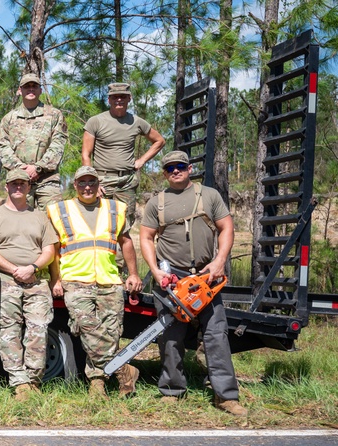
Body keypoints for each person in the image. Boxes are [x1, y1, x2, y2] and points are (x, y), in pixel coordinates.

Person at [139, 151, 247, 416]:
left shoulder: (209, 195)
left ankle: (226, 396)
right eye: (169, 168)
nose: (175, 171)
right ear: (164, 173)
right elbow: (145, 237)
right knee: (170, 337)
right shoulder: (157, 202)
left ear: (189, 168)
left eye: (179, 166)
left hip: (205, 276)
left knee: (216, 335)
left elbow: (226, 228)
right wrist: (155, 271)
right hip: (171, 279)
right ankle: (172, 390)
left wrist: (220, 261)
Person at [46, 166, 142, 399]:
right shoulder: (59, 210)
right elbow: (54, 249)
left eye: (91, 182)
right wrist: (55, 279)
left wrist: (133, 274)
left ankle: (97, 384)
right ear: (75, 186)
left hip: (109, 280)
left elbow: (126, 241)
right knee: (87, 328)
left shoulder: (115, 209)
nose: (87, 186)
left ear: (99, 185)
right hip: (75, 281)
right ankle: (124, 370)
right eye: (82, 182)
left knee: (110, 333)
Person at [0, 169, 58, 401]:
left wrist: (33, 268)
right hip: (4, 281)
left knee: (38, 329)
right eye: (13, 183)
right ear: (6, 187)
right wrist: (14, 269)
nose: (18, 187)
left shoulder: (40, 216)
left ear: (28, 187)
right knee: (8, 332)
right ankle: (20, 383)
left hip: (36, 281)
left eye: (22, 184)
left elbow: (50, 250)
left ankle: (34, 380)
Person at [81, 82, 166, 229]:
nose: (118, 100)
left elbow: (159, 141)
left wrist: (142, 160)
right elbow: (86, 155)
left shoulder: (137, 122)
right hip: (102, 181)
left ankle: (120, 252)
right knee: (98, 223)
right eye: (115, 97)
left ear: (129, 98)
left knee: (125, 227)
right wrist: (93, 182)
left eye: (122, 96)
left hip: (127, 182)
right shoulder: (95, 121)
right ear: (109, 100)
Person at [0, 73, 67, 210]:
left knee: (55, 221)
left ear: (40, 90)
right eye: (26, 86)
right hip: (18, 181)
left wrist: (38, 168)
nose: (30, 89)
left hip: (47, 180)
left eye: (34, 86)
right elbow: (3, 147)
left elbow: (58, 144)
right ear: (19, 90)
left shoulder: (54, 115)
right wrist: (22, 169)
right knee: (19, 224)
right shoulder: (8, 119)